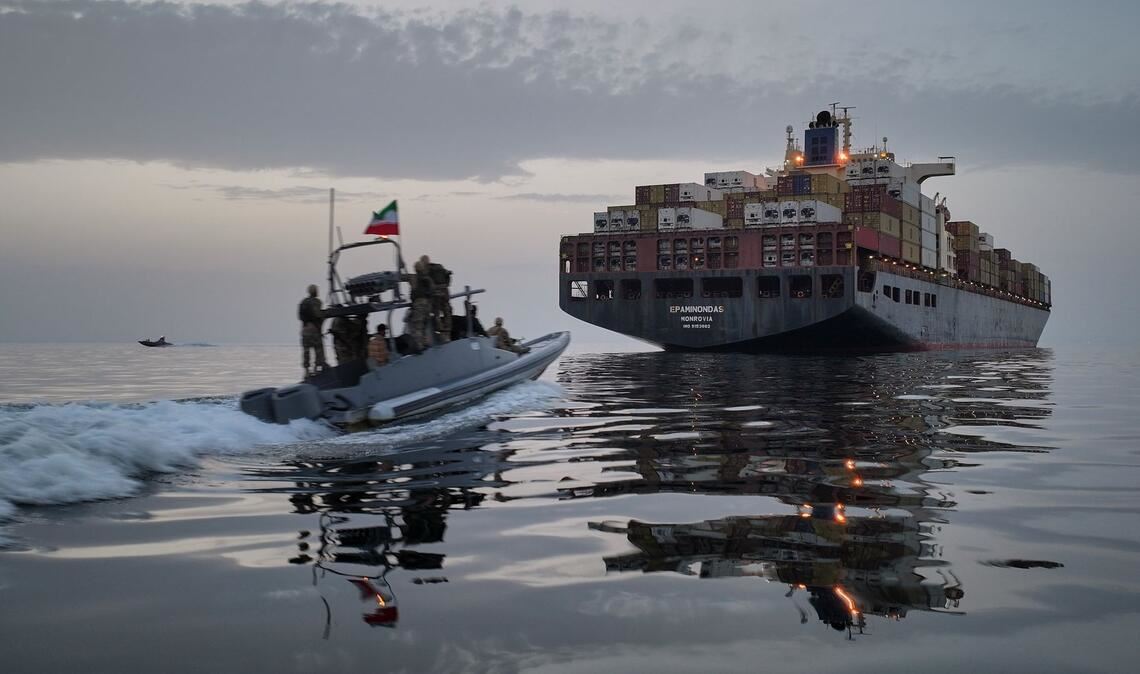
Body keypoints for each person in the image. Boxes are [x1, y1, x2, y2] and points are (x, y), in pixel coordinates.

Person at [421, 254, 453, 343]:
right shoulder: (439, 267)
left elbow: (425, 286)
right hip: (445, 293)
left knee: (436, 315)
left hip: (435, 296)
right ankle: (447, 334)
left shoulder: (425, 271)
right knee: (447, 313)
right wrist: (445, 286)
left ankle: (442, 334)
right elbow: (448, 276)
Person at [406, 259, 435, 352]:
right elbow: (432, 289)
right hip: (427, 304)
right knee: (424, 324)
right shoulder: (427, 278)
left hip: (419, 303)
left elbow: (404, 278)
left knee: (417, 325)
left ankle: (419, 346)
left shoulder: (414, 278)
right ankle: (425, 342)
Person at [298, 284, 327, 375]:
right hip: (314, 329)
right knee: (318, 348)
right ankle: (317, 368)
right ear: (315, 291)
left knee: (306, 350)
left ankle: (306, 370)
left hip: (305, 329)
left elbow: (300, 316)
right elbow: (317, 315)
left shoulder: (303, 302)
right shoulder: (317, 302)